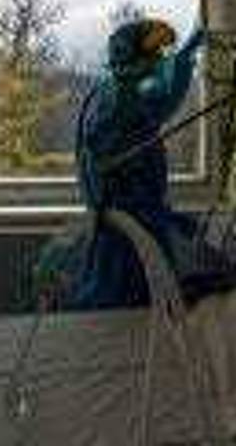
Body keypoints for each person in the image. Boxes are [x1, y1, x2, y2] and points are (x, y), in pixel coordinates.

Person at [68, 17, 206, 308]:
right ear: (134, 58)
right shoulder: (117, 99)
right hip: (127, 219)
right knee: (124, 294)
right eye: (154, 57)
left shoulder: (119, 88)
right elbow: (107, 154)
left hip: (134, 215)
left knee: (141, 290)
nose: (158, 63)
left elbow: (160, 103)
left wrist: (184, 56)